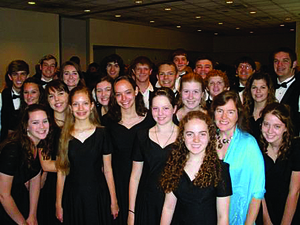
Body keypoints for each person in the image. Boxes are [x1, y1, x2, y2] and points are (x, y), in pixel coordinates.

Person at [55, 86, 119, 225]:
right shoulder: (64, 135)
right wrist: (58, 204)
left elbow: (108, 170)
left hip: (97, 195)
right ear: (70, 108)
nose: (80, 108)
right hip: (73, 197)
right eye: (76, 104)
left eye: (84, 103)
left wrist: (113, 201)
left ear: (91, 106)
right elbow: (61, 172)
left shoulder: (102, 133)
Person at [160, 111, 232, 225]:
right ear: (182, 137)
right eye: (190, 134)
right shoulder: (174, 166)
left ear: (209, 137)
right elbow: (168, 208)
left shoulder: (220, 170)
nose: (196, 140)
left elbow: (222, 216)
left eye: (202, 134)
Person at [105, 76, 155, 225]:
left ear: (136, 91)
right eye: (118, 94)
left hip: (145, 185)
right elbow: (106, 165)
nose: (123, 98)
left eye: (127, 92)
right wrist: (113, 198)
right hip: (118, 185)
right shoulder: (107, 122)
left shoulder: (151, 120)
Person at [211, 90, 265, 224]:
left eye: (230, 112)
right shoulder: (205, 140)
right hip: (209, 214)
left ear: (238, 114)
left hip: (238, 216)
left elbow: (257, 192)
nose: (224, 117)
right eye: (219, 111)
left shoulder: (248, 143)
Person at [128, 88, 178, 225]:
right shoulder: (142, 136)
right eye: (155, 108)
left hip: (176, 204)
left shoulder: (185, 136)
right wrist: (131, 212)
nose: (160, 113)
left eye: (165, 108)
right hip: (147, 202)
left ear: (174, 109)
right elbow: (135, 176)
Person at [0, 104, 50, 224]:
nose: (42, 126)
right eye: (35, 123)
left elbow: (35, 180)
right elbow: (3, 195)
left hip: (19, 202)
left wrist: (32, 215)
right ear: (26, 126)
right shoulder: (13, 150)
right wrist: (23, 223)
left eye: (45, 121)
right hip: (5, 207)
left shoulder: (38, 144)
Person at [260, 103, 300, 224]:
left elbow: (295, 191)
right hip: (266, 211)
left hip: (293, 211)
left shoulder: (296, 148)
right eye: (266, 124)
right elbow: (258, 190)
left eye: (277, 126)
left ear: (286, 128)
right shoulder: (257, 149)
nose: (270, 131)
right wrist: (267, 221)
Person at [37, 80, 69, 225]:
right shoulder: (45, 126)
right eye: (51, 96)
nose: (57, 99)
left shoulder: (78, 121)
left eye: (61, 94)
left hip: (78, 185)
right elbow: (46, 165)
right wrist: (80, 163)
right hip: (52, 186)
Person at [272, 47, 300, 136]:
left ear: (294, 64)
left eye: (285, 61)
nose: (280, 65)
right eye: (276, 61)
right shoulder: (267, 87)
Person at [243, 72, 276, 140]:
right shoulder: (243, 113)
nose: (258, 91)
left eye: (263, 87)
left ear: (269, 90)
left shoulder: (275, 113)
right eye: (254, 87)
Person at [1, 60, 29, 141]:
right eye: (15, 74)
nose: (19, 78)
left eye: (22, 74)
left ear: (27, 76)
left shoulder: (33, 96)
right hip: (5, 143)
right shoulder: (2, 95)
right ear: (10, 77)